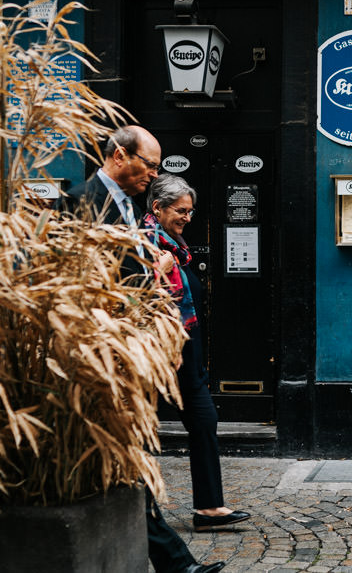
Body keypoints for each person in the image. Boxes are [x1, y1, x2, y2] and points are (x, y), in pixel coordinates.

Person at [59, 126, 225, 573]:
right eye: (149, 164)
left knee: (126, 458)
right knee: (124, 457)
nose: (153, 175)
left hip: (129, 350)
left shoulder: (127, 204)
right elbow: (87, 283)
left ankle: (176, 562)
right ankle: (177, 563)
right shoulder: (83, 200)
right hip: (104, 352)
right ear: (118, 155)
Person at [142, 174, 251, 532]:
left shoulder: (174, 246)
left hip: (185, 355)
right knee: (140, 430)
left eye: (190, 211)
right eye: (181, 210)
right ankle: (133, 508)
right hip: (157, 354)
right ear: (157, 208)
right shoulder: (144, 245)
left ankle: (208, 508)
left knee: (204, 420)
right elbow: (133, 298)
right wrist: (157, 273)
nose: (188, 217)